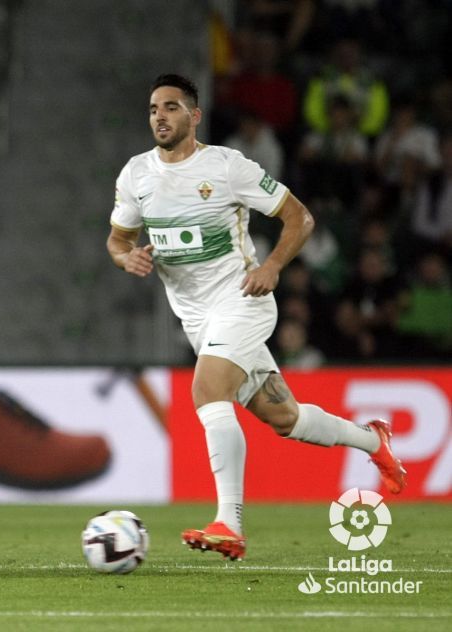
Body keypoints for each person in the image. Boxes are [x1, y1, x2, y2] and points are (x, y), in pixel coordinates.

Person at [106, 74, 406, 561]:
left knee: (207, 391)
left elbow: (299, 218)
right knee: (284, 417)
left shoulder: (227, 166)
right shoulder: (136, 174)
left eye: (171, 107)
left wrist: (272, 265)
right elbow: (118, 240)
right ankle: (374, 440)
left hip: (242, 299)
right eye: (154, 108)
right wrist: (127, 258)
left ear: (194, 116)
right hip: (197, 320)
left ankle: (229, 522)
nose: (160, 116)